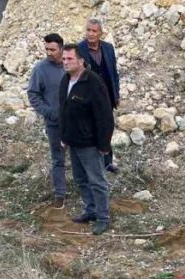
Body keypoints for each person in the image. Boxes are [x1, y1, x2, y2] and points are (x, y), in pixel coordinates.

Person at [59, 44, 114, 236]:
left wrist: (104, 144)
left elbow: (104, 115)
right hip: (73, 141)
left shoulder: (93, 82)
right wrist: (64, 136)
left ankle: (103, 217)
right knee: (81, 178)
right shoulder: (66, 81)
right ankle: (90, 210)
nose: (65, 62)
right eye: (64, 59)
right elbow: (63, 110)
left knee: (96, 180)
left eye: (69, 59)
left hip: (90, 143)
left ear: (81, 60)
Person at [27, 33, 68, 208]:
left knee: (80, 155)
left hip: (76, 122)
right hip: (54, 123)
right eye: (47, 49)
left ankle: (87, 189)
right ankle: (60, 194)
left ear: (61, 49)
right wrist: (48, 112)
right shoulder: (40, 69)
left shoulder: (71, 63)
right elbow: (33, 94)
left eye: (53, 49)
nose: (49, 53)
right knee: (58, 158)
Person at [78, 18, 120, 173]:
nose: (90, 33)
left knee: (106, 128)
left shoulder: (108, 48)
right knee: (90, 131)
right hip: (88, 99)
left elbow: (114, 73)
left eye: (94, 31)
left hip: (107, 96)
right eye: (88, 30)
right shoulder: (79, 49)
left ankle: (108, 163)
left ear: (100, 33)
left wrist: (117, 94)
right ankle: (93, 165)